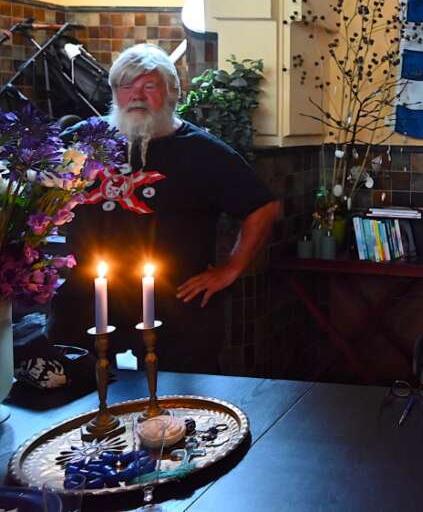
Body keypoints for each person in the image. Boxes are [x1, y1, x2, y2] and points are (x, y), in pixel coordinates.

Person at [50, 44, 280, 373]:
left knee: (178, 399)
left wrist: (229, 270)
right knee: (74, 392)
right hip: (87, 299)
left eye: (149, 85)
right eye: (126, 85)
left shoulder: (202, 151)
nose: (136, 95)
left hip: (175, 305)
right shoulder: (82, 141)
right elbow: (31, 190)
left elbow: (263, 206)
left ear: (172, 92)